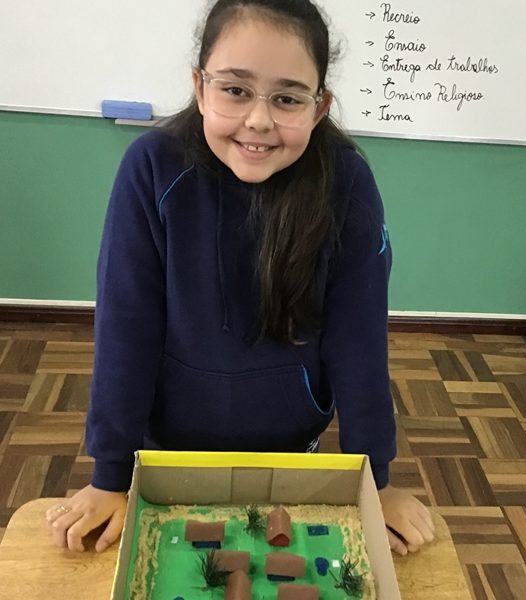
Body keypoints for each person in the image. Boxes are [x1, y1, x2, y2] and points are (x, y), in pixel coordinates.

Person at [46, 0, 434, 557]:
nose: (258, 120)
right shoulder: (151, 166)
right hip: (167, 454)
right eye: (235, 90)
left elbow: (359, 340)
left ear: (319, 107)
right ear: (200, 87)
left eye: (287, 98)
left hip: (290, 456)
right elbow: (126, 327)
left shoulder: (346, 181)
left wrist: (378, 482)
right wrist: (110, 476)